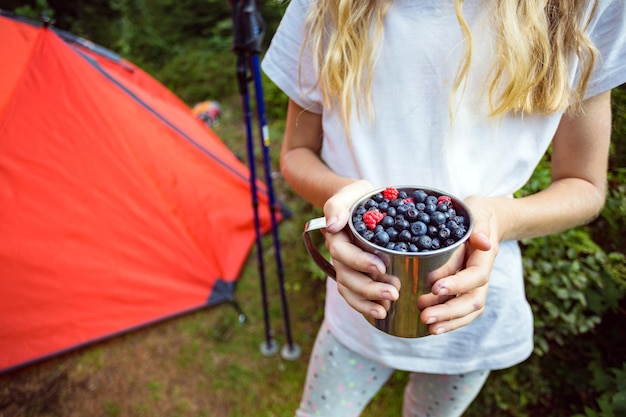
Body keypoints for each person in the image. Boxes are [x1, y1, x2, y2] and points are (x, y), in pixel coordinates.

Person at [261, 1, 626, 416]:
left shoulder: (584, 8)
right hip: (358, 307)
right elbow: (296, 153)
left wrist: (497, 217)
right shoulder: (326, 7)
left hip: (473, 312)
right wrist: (348, 200)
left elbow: (585, 185)